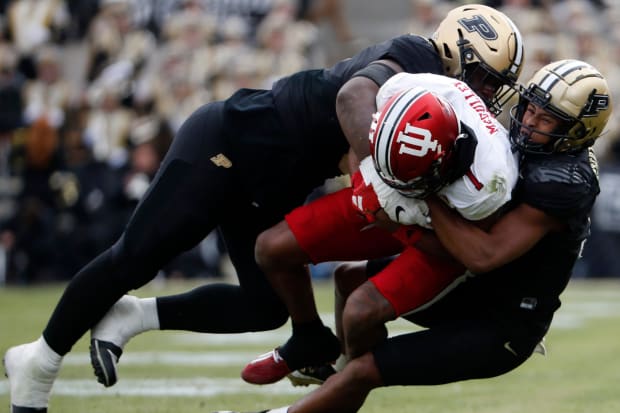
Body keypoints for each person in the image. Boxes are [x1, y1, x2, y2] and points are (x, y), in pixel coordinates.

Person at [2, 4, 524, 412]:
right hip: (231, 144)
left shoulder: (448, 95)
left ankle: (136, 317)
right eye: (486, 78)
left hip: (273, 181)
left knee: (265, 305)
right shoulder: (417, 56)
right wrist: (374, 171)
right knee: (136, 257)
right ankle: (40, 360)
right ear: (457, 52)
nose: (488, 93)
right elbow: (351, 100)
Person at [213, 58, 612, 413]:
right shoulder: (532, 147)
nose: (528, 122)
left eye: (546, 120)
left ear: (579, 132)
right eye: (531, 109)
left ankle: (332, 386)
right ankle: (334, 377)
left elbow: (483, 254)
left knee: (365, 370)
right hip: (474, 287)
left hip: (502, 323)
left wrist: (422, 191)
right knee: (349, 281)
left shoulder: (562, 181)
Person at [240, 68, 519, 385]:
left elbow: (459, 253)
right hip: (391, 188)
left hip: (443, 228)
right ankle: (310, 340)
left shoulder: (487, 182)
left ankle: (342, 383)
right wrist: (365, 180)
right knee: (271, 248)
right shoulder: (403, 90)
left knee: (359, 313)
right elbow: (350, 107)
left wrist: (399, 225)